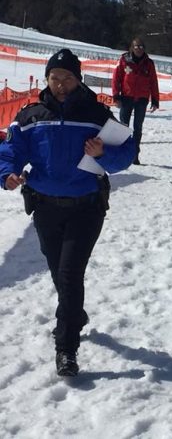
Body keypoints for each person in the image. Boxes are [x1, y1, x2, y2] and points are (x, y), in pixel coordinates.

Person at [0, 48, 135, 376]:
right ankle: (74, 314)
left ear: (79, 79)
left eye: (68, 78)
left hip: (86, 207)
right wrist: (8, 174)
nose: (61, 84)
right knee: (57, 268)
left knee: (70, 273)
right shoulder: (31, 115)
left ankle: (66, 348)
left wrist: (104, 153)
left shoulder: (95, 114)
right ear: (47, 79)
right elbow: (10, 150)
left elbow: (126, 151)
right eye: (55, 78)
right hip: (45, 208)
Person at [111, 37, 160, 165]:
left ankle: (134, 154)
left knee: (138, 128)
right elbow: (116, 78)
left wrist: (155, 99)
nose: (139, 49)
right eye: (137, 46)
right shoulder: (123, 60)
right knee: (123, 126)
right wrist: (116, 95)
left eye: (141, 46)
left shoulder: (149, 63)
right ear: (132, 47)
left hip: (142, 99)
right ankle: (122, 153)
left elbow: (153, 82)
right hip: (126, 98)